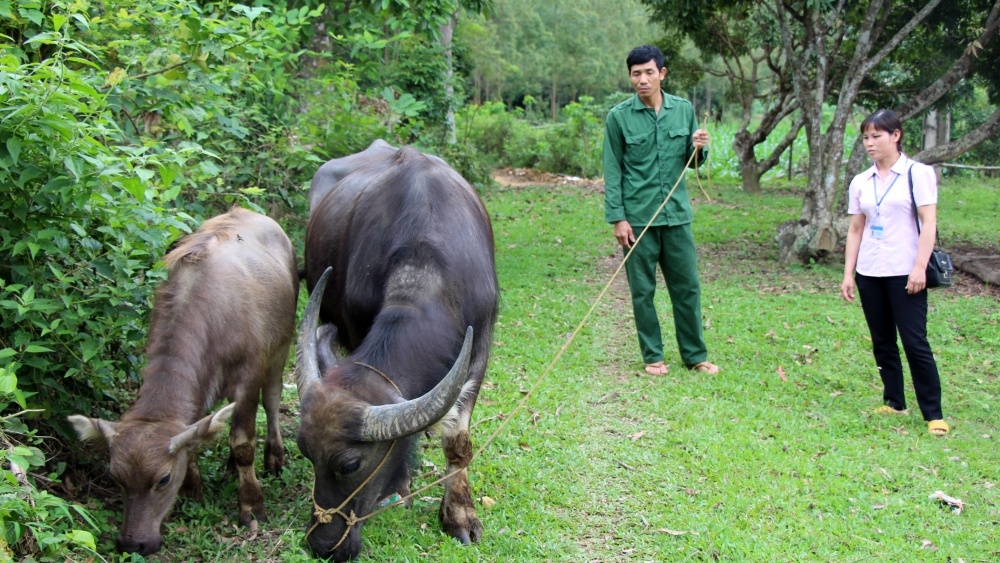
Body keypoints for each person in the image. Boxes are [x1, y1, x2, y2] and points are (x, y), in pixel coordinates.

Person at [603, 44, 719, 377]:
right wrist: (618, 218)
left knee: (688, 287)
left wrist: (700, 148)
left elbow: (691, 163)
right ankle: (653, 356)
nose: (642, 79)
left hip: (677, 217)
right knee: (643, 291)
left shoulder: (683, 111)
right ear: (630, 77)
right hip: (637, 220)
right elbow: (612, 170)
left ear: (662, 73)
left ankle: (695, 355)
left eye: (648, 72)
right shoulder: (618, 118)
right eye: (636, 74)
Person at [840, 109, 948, 436]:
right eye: (866, 138)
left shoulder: (918, 174)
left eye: (876, 136)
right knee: (882, 340)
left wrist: (919, 268)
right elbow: (856, 229)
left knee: (915, 341)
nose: (870, 143)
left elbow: (929, 223)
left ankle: (934, 413)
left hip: (906, 270)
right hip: (870, 270)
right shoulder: (861, 181)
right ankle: (894, 401)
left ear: (895, 135)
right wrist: (848, 274)